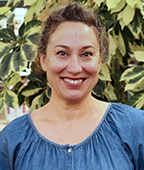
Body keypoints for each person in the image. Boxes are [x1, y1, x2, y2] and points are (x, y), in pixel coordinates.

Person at [0, 2, 144, 170]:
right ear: (43, 59)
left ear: (99, 61)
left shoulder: (135, 128)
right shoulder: (13, 139)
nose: (75, 68)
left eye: (86, 54)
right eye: (62, 53)